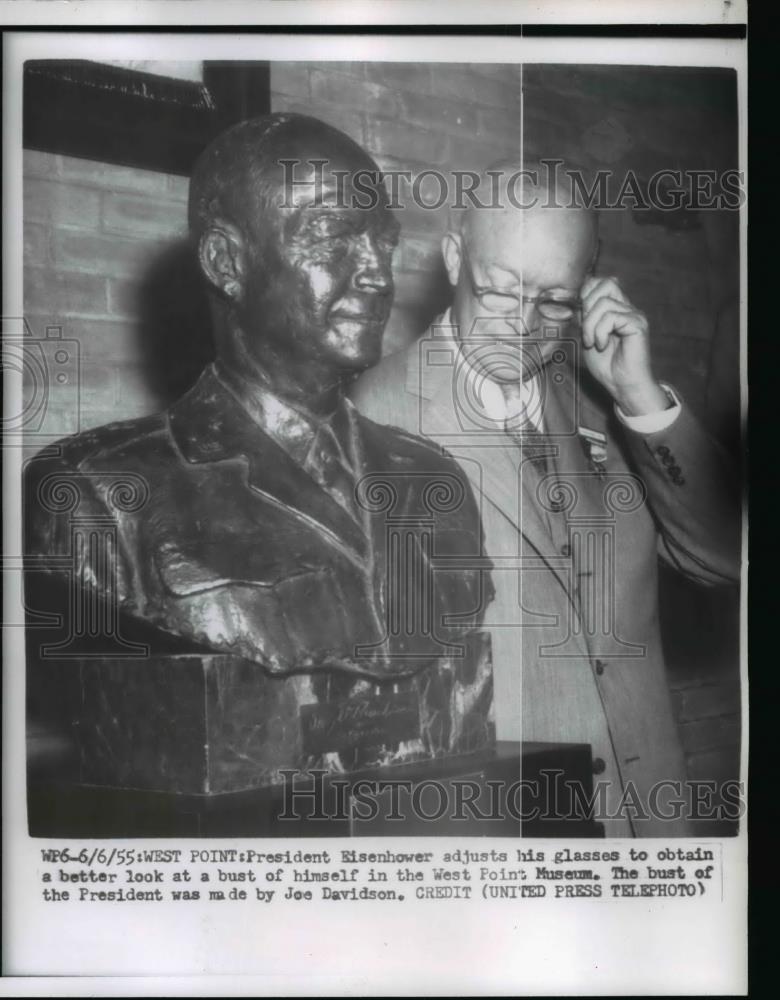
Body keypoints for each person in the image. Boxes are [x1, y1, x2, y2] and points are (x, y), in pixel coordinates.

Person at [24, 113, 490, 709]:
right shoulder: (96, 495)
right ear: (226, 262)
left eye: (384, 241)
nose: (378, 274)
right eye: (331, 233)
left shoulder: (434, 482)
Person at [350, 162, 740, 836]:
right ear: (453, 258)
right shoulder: (369, 420)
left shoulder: (606, 398)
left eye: (554, 299)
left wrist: (640, 401)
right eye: (501, 291)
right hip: (505, 841)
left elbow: (724, 556)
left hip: (648, 825)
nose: (524, 327)